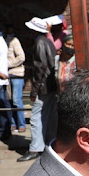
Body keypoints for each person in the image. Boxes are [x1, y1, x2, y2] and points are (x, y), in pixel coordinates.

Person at [18, 17, 57, 163]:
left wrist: (34, 91)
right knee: (48, 116)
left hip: (44, 86)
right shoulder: (47, 42)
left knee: (36, 117)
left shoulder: (39, 43)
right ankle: (49, 144)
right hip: (51, 85)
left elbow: (40, 70)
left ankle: (35, 148)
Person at [5, 24, 26, 133]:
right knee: (8, 100)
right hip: (6, 75)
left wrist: (7, 64)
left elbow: (21, 57)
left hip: (16, 74)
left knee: (17, 100)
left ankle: (21, 124)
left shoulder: (14, 41)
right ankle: (12, 123)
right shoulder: (3, 42)